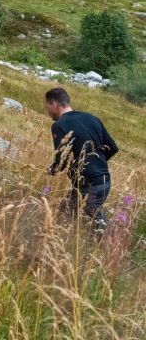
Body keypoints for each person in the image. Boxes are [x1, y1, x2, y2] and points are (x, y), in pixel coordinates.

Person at [45, 87, 118, 233]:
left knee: (96, 226)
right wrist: (96, 164)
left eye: (47, 106)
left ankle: (108, 247)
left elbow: (62, 161)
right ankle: (62, 239)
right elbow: (112, 147)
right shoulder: (92, 118)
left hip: (90, 185)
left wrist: (50, 170)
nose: (47, 111)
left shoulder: (58, 125)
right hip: (103, 180)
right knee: (65, 212)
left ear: (54, 104)